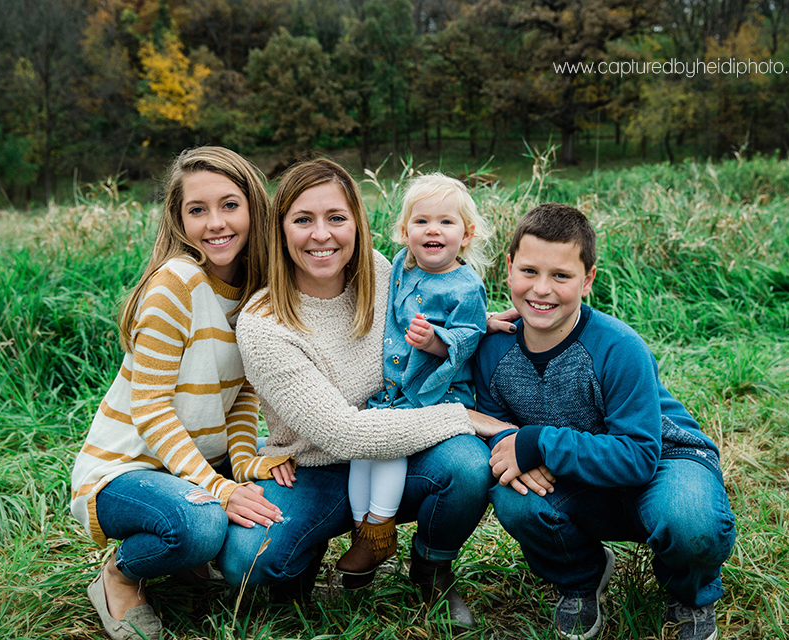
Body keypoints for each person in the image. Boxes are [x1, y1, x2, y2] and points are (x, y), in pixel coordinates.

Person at [225, 158, 508, 628]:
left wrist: (479, 328)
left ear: (357, 221)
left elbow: (438, 303)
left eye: (336, 218)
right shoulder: (264, 321)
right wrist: (464, 417)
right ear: (280, 230)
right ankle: (308, 553)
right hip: (314, 466)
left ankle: (431, 569)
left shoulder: (381, 273)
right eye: (303, 220)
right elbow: (341, 434)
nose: (322, 235)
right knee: (249, 560)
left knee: (465, 465)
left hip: (400, 447)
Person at [473, 203, 736, 640]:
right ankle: (580, 578)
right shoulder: (493, 350)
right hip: (575, 475)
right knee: (515, 497)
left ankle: (690, 593)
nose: (541, 289)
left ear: (588, 279)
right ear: (509, 269)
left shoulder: (618, 347)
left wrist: (538, 442)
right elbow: (501, 438)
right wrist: (515, 443)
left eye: (561, 276)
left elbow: (638, 457)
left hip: (662, 460)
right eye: (529, 271)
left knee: (689, 521)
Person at [70, 147, 289, 640]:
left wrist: (243, 461)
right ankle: (119, 578)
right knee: (201, 525)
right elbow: (150, 409)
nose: (216, 223)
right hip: (128, 468)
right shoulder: (177, 283)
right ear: (178, 219)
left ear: (254, 207)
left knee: (280, 502)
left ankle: (192, 562)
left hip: (196, 464)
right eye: (198, 210)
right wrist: (222, 489)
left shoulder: (258, 293)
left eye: (230, 205)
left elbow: (241, 400)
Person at [334, 174, 490, 580]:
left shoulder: (466, 285)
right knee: (361, 452)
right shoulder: (400, 265)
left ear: (467, 234)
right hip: (394, 390)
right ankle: (362, 530)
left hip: (433, 392)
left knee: (389, 446)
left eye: (446, 222)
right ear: (405, 232)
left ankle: (380, 529)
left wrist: (437, 341)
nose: (432, 229)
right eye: (421, 222)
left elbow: (468, 335)